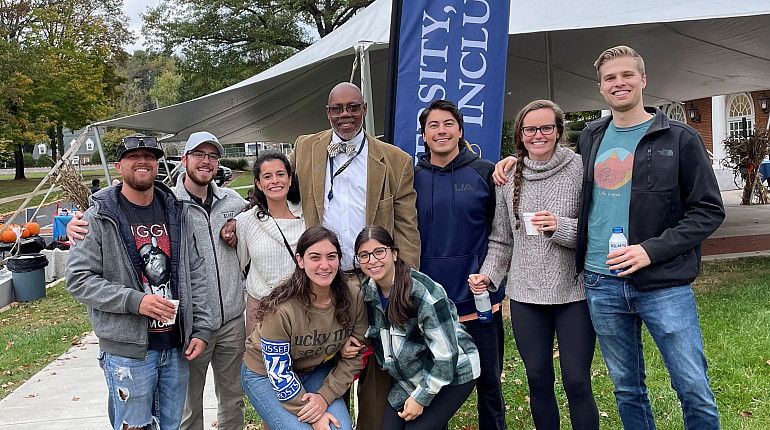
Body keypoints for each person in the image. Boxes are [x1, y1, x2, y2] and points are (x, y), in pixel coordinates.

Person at [495, 46, 725, 429]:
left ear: (643, 80)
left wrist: (651, 250)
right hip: (599, 282)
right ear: (600, 88)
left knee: (691, 385)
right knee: (627, 388)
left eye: (627, 75)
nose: (619, 83)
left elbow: (708, 210)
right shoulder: (592, 136)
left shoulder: (680, 138)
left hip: (662, 283)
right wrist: (513, 161)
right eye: (610, 78)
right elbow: (550, 158)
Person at [222, 82, 421, 429]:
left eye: (353, 107)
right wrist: (239, 217)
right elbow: (277, 187)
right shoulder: (306, 147)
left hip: (371, 275)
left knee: (372, 364)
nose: (345, 115)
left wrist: (404, 282)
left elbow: (407, 228)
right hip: (321, 274)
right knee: (322, 358)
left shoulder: (395, 161)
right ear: (328, 113)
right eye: (337, 109)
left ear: (364, 109)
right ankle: (325, 415)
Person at [68, 131, 248, 430]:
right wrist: (136, 301)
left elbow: (196, 272)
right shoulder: (99, 217)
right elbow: (77, 280)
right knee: (136, 425)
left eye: (149, 157)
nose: (143, 162)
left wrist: (199, 326)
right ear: (118, 166)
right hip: (129, 348)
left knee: (172, 424)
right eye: (133, 157)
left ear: (158, 165)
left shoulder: (176, 212)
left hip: (176, 343)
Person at [470, 100, 598, 429]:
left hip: (574, 292)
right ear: (520, 134)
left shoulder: (582, 169)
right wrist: (488, 276)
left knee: (577, 381)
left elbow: (595, 228)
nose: (538, 135)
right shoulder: (508, 175)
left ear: (558, 131)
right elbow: (501, 239)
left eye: (546, 128)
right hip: (526, 296)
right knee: (538, 380)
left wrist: (561, 228)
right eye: (530, 129)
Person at [413, 99, 506, 430]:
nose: (441, 131)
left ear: (461, 131)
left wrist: (490, 277)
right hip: (429, 307)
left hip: (479, 304)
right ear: (423, 136)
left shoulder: (486, 173)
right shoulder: (410, 179)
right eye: (433, 126)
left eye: (448, 124)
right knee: (431, 388)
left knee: (490, 386)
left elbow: (501, 235)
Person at [241, 226, 368, 430]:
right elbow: (279, 373)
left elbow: (356, 355)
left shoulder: (353, 297)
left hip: (312, 369)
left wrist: (324, 397)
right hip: (266, 375)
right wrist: (315, 416)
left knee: (339, 428)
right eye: (315, 257)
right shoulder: (282, 309)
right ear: (300, 260)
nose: (324, 265)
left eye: (331, 256)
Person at [354, 225, 480, 429]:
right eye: (364, 255)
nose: (372, 260)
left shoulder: (424, 293)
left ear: (394, 253)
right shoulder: (367, 293)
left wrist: (421, 398)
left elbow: (446, 356)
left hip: (453, 370)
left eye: (379, 252)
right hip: (409, 376)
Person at [235, 151, 305, 334]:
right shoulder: (246, 221)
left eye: (280, 174)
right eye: (267, 176)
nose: (275, 181)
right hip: (260, 310)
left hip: (301, 308)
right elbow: (240, 264)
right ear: (258, 183)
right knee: (257, 361)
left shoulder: (307, 216)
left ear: (290, 179)